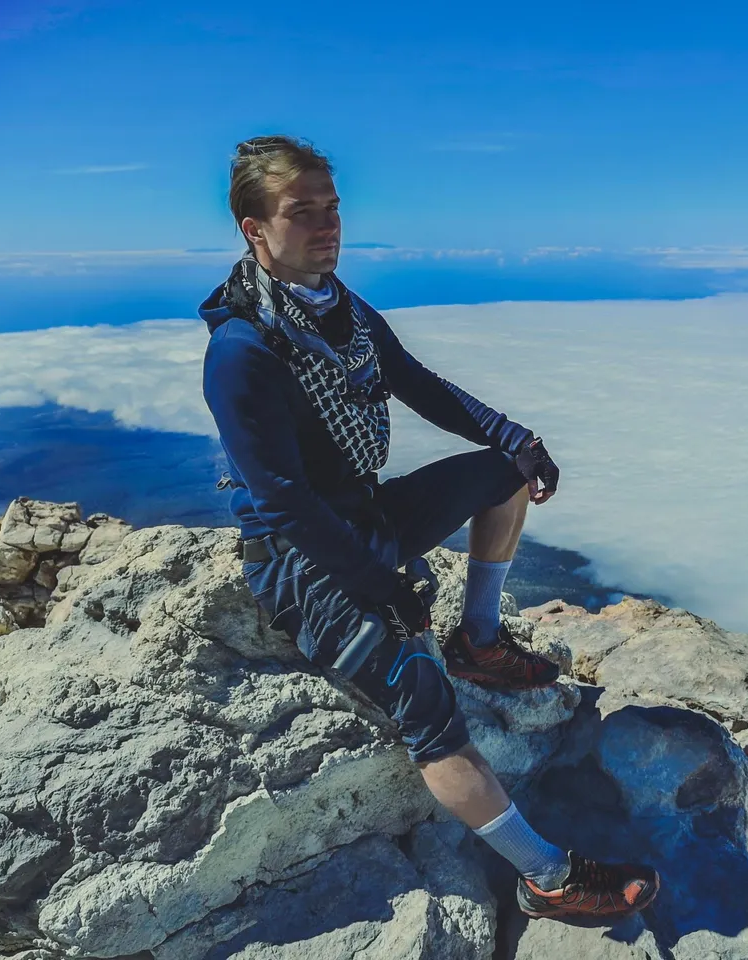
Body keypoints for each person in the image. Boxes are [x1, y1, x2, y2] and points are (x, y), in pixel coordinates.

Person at [199, 135, 660, 922]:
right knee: (428, 711)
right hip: (300, 557)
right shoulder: (244, 351)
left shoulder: (338, 308)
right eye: (300, 212)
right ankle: (546, 876)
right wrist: (387, 588)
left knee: (503, 475)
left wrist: (513, 437)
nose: (325, 225)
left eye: (331, 207)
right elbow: (283, 505)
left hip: (364, 514)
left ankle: (478, 639)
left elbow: (415, 383)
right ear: (253, 228)